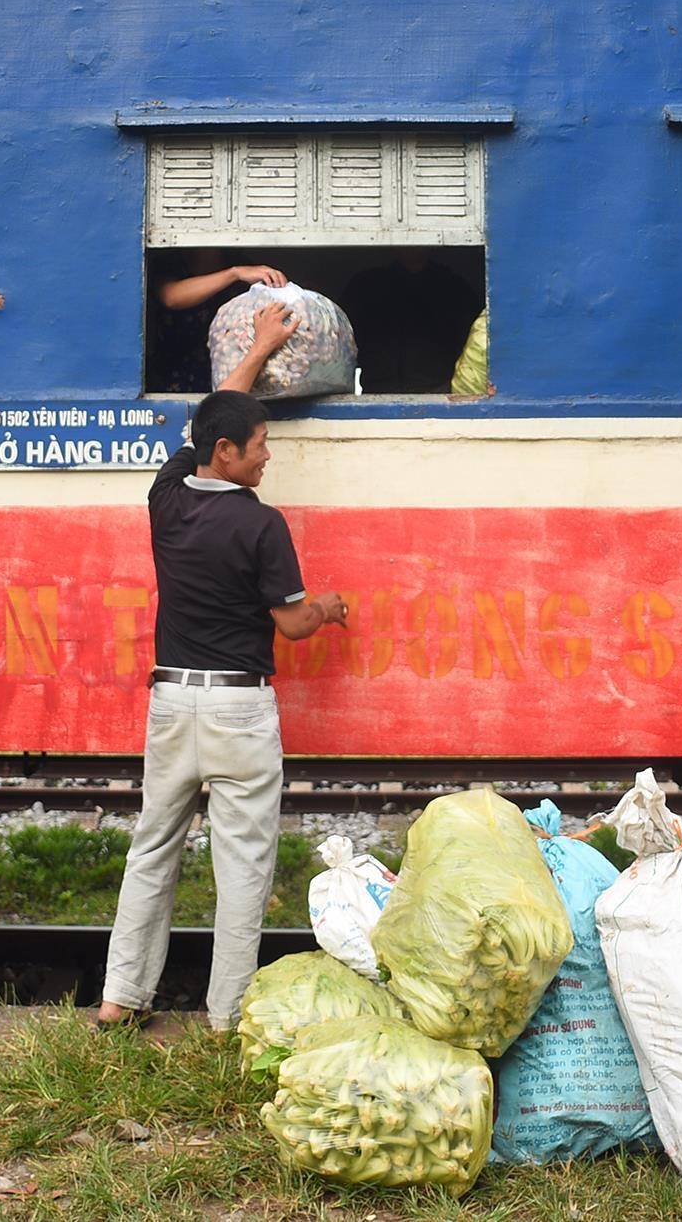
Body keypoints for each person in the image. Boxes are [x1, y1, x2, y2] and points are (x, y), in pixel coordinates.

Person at [98, 303, 349, 1032]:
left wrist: (259, 346)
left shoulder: (167, 499)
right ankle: (226, 1016)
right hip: (240, 710)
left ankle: (119, 998)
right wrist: (328, 607)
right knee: (242, 869)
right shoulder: (261, 523)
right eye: (260, 445)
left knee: (152, 849)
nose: (268, 457)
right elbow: (292, 625)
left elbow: (210, 417)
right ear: (229, 453)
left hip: (173, 702)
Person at [147, 249, 288, 393]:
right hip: (175, 373)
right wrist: (234, 273)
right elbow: (171, 297)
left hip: (229, 371)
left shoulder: (239, 262)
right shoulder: (170, 263)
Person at [342, 250, 483, 393]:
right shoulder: (366, 285)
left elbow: (474, 348)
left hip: (440, 395)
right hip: (375, 393)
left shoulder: (454, 288)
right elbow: (342, 340)